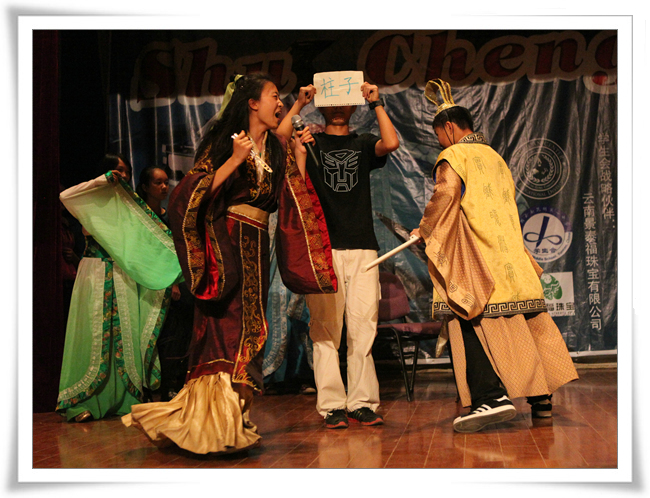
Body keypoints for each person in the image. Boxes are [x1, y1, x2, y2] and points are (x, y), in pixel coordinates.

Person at [122, 73, 337, 455]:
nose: (280, 104)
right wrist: (235, 159)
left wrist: (300, 156)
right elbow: (190, 194)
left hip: (258, 247)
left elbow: (287, 197)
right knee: (225, 328)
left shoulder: (273, 150)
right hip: (227, 250)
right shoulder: (227, 141)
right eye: (274, 96)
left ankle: (231, 420)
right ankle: (209, 426)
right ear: (252, 103)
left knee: (251, 329)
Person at [411, 79, 578, 433]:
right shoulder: (497, 158)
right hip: (514, 258)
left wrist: (423, 231)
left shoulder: (454, 156)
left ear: (449, 128)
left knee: (466, 314)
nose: (439, 143)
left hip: (481, 260)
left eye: (439, 135)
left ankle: (490, 397)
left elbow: (445, 196)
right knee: (528, 325)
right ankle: (542, 400)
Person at [278, 80, 399, 429]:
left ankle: (361, 402)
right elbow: (279, 141)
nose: (337, 109)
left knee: (363, 328)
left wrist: (376, 102)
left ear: (352, 105)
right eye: (331, 102)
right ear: (323, 104)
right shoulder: (308, 141)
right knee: (325, 330)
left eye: (344, 102)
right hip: (323, 248)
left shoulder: (362, 143)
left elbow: (391, 142)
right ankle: (332, 404)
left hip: (363, 248)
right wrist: (299, 104)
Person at [56, 154, 183, 422]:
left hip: (123, 275)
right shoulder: (91, 200)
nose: (122, 176)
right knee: (93, 334)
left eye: (126, 171)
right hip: (95, 272)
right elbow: (65, 196)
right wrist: (102, 181)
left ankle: (125, 399)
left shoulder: (131, 207)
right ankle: (83, 402)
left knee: (125, 335)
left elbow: (152, 241)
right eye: (117, 170)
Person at [136, 166, 193, 401]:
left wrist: (173, 282)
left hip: (173, 283)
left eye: (166, 182)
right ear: (145, 186)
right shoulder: (140, 218)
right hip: (146, 282)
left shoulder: (169, 216)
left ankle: (172, 383)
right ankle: (147, 386)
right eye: (157, 182)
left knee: (176, 332)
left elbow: (174, 253)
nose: (163, 187)